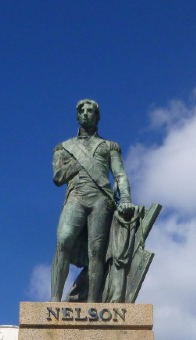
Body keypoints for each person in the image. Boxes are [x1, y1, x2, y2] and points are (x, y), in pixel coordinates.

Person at [51, 99, 134, 303]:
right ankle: (54, 300)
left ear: (97, 117)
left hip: (100, 201)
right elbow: (58, 177)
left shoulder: (109, 146)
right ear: (77, 116)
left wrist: (125, 198)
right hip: (76, 196)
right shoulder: (63, 147)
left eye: (91, 111)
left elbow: (120, 174)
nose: (87, 114)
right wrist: (78, 165)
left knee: (96, 253)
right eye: (83, 111)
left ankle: (92, 304)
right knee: (63, 241)